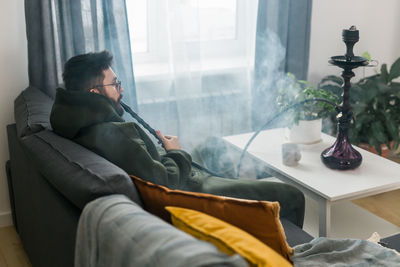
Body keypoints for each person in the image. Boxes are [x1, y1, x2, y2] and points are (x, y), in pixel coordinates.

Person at [50, 50, 305, 227]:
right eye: (115, 84)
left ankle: (243, 199)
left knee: (214, 144)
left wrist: (166, 151)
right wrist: (175, 151)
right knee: (293, 195)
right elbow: (163, 182)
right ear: (95, 92)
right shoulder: (112, 133)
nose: (121, 89)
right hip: (191, 190)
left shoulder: (76, 119)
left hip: (178, 172)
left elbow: (142, 161)